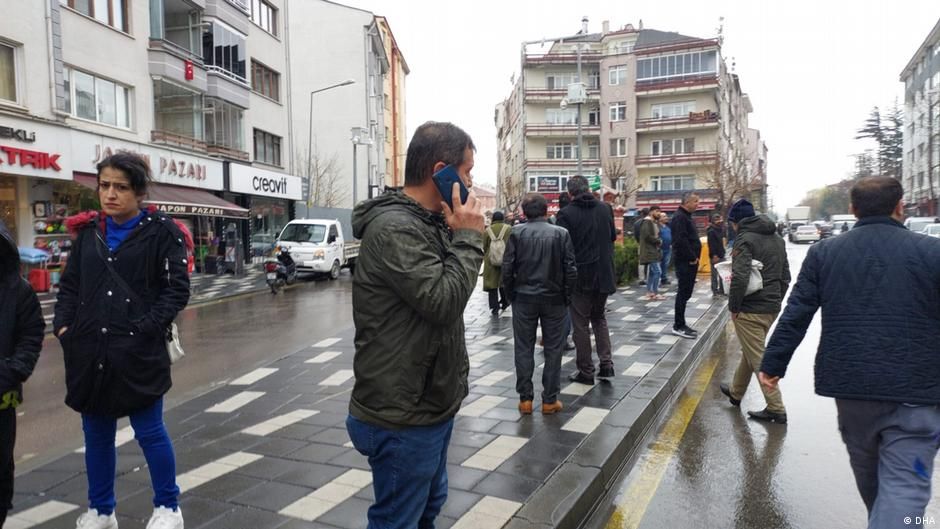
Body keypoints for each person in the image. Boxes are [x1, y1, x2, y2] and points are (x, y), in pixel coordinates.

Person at [760, 177, 940, 527]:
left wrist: (773, 362)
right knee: (903, 487)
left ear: (854, 209)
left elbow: (797, 311)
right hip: (917, 391)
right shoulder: (933, 252)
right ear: (900, 206)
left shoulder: (826, 252)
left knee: (872, 479)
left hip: (852, 389)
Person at [347, 122, 484, 529]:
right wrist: (468, 238)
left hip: (428, 402)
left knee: (429, 502)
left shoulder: (428, 221)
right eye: (467, 171)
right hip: (401, 412)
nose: (471, 182)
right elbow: (443, 302)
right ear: (440, 170)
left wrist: (458, 228)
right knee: (397, 519)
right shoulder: (396, 228)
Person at [55, 153, 191, 529]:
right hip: (90, 351)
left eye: (121, 187)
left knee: (149, 431)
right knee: (96, 435)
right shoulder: (87, 235)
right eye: (104, 185)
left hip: (138, 353)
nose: (110, 194)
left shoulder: (163, 232)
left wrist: (145, 328)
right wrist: (64, 329)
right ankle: (101, 510)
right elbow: (69, 288)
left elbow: (176, 291)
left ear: (140, 191)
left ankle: (168, 507)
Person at [717, 199, 790, 423]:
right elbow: (786, 274)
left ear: (737, 222)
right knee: (752, 350)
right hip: (771, 306)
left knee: (758, 356)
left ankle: (776, 407)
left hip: (750, 308)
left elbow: (740, 276)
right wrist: (777, 298)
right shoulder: (777, 238)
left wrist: (734, 307)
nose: (732, 227)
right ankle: (736, 392)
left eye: (732, 223)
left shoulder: (744, 240)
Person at [502, 194, 576, 415]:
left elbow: (507, 268)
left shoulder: (515, 233)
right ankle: (549, 399)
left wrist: (510, 295)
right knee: (554, 349)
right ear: (546, 211)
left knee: (523, 347)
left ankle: (525, 399)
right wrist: (567, 296)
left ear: (524, 212)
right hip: (554, 299)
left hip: (523, 298)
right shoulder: (561, 234)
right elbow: (570, 269)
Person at [0, 220, 44, 528]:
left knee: (1, 469)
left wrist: (12, 370)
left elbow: (32, 334)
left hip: (1, 397)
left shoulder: (17, 290)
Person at [556, 175, 617, 385]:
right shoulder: (604, 209)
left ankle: (586, 370)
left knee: (580, 323)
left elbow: (563, 248)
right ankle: (606, 365)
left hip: (580, 277)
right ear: (588, 189)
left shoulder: (565, 214)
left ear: (570, 193)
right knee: (599, 318)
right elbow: (611, 237)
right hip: (604, 274)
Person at [669, 193, 702, 339]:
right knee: (683, 293)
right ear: (687, 202)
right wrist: (691, 257)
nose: (698, 204)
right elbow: (680, 241)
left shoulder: (686, 216)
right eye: (695, 201)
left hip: (691, 261)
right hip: (685, 261)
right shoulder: (679, 217)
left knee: (686, 293)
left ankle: (682, 323)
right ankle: (678, 326)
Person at [483, 210, 511, 315]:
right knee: (503, 281)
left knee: (492, 284)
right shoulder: (508, 229)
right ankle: (505, 301)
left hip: (491, 260)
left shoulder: (487, 231)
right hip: (506, 259)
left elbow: (484, 246)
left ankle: (494, 307)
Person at [638, 210, 665, 301]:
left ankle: (650, 292)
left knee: (653, 273)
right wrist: (658, 241)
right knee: (658, 272)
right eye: (657, 211)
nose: (659, 213)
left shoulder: (653, 223)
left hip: (654, 250)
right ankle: (655, 292)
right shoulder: (647, 222)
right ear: (651, 212)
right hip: (649, 251)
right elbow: (647, 236)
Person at [707, 214, 726, 297]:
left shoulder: (720, 229)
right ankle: (715, 291)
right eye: (716, 219)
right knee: (714, 274)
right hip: (715, 255)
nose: (719, 221)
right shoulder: (711, 231)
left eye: (720, 219)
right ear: (713, 221)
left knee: (722, 273)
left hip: (721, 253)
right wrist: (714, 255)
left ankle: (722, 290)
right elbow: (711, 244)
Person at [658, 213, 672, 286]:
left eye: (666, 216)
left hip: (668, 248)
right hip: (660, 249)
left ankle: (664, 278)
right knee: (658, 265)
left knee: (665, 264)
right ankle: (658, 279)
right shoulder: (657, 227)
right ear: (659, 218)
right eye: (664, 216)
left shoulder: (667, 227)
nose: (666, 217)